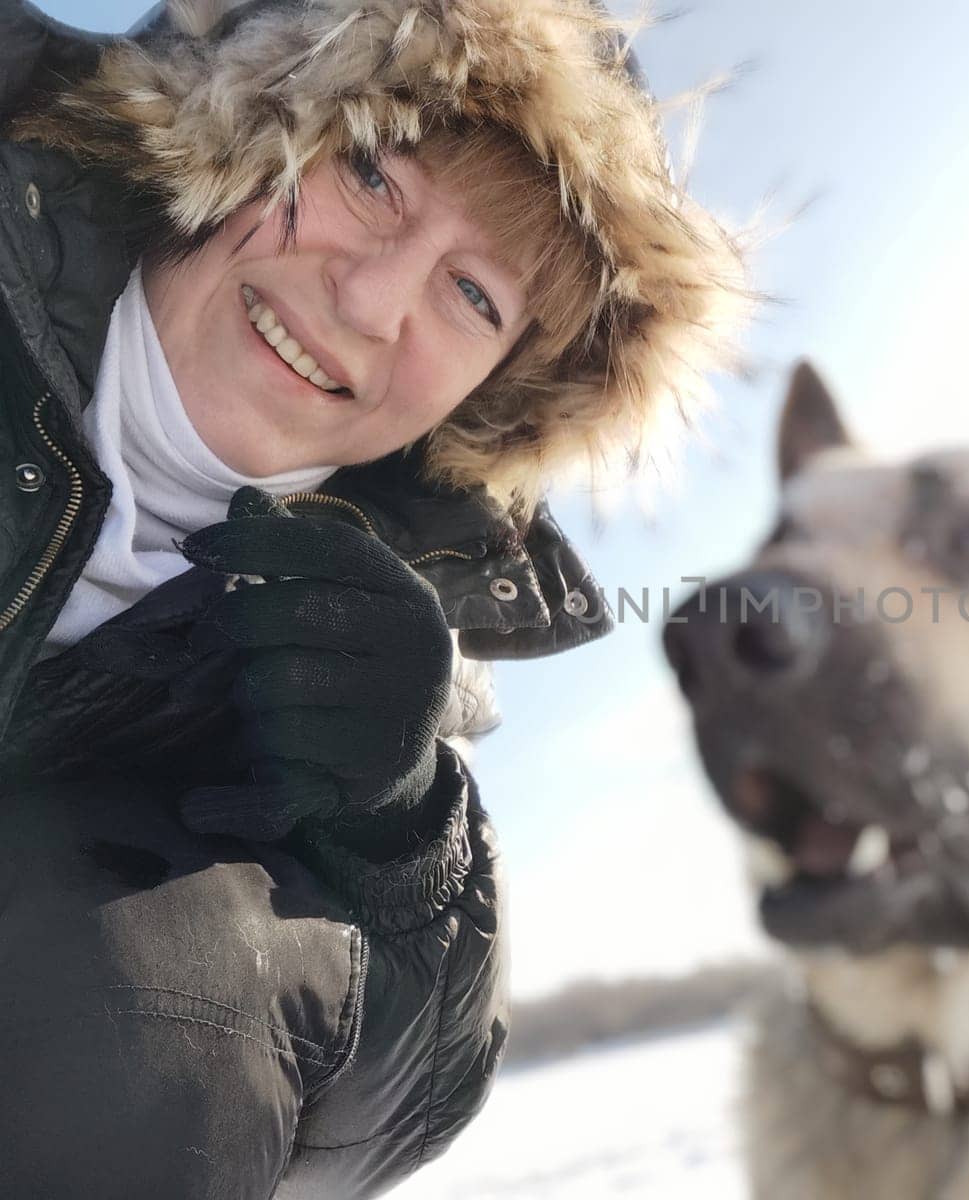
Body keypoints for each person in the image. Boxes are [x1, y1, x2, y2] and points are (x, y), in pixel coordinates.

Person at [0, 0, 745, 1194]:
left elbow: (401, 1108)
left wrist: (396, 840)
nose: (370, 302)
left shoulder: (393, 644)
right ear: (242, 132)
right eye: (369, 176)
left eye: (474, 298)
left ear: (491, 394)